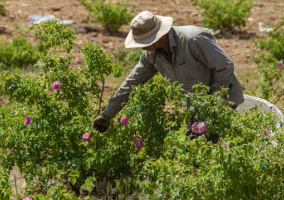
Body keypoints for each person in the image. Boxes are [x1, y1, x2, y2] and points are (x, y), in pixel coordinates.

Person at [93, 11, 244, 133]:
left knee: (210, 146)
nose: (142, 47)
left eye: (144, 42)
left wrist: (214, 103)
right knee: (195, 150)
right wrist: (107, 114)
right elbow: (132, 83)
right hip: (196, 107)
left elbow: (225, 66)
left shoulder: (193, 39)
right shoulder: (151, 55)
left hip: (224, 100)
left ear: (158, 37)